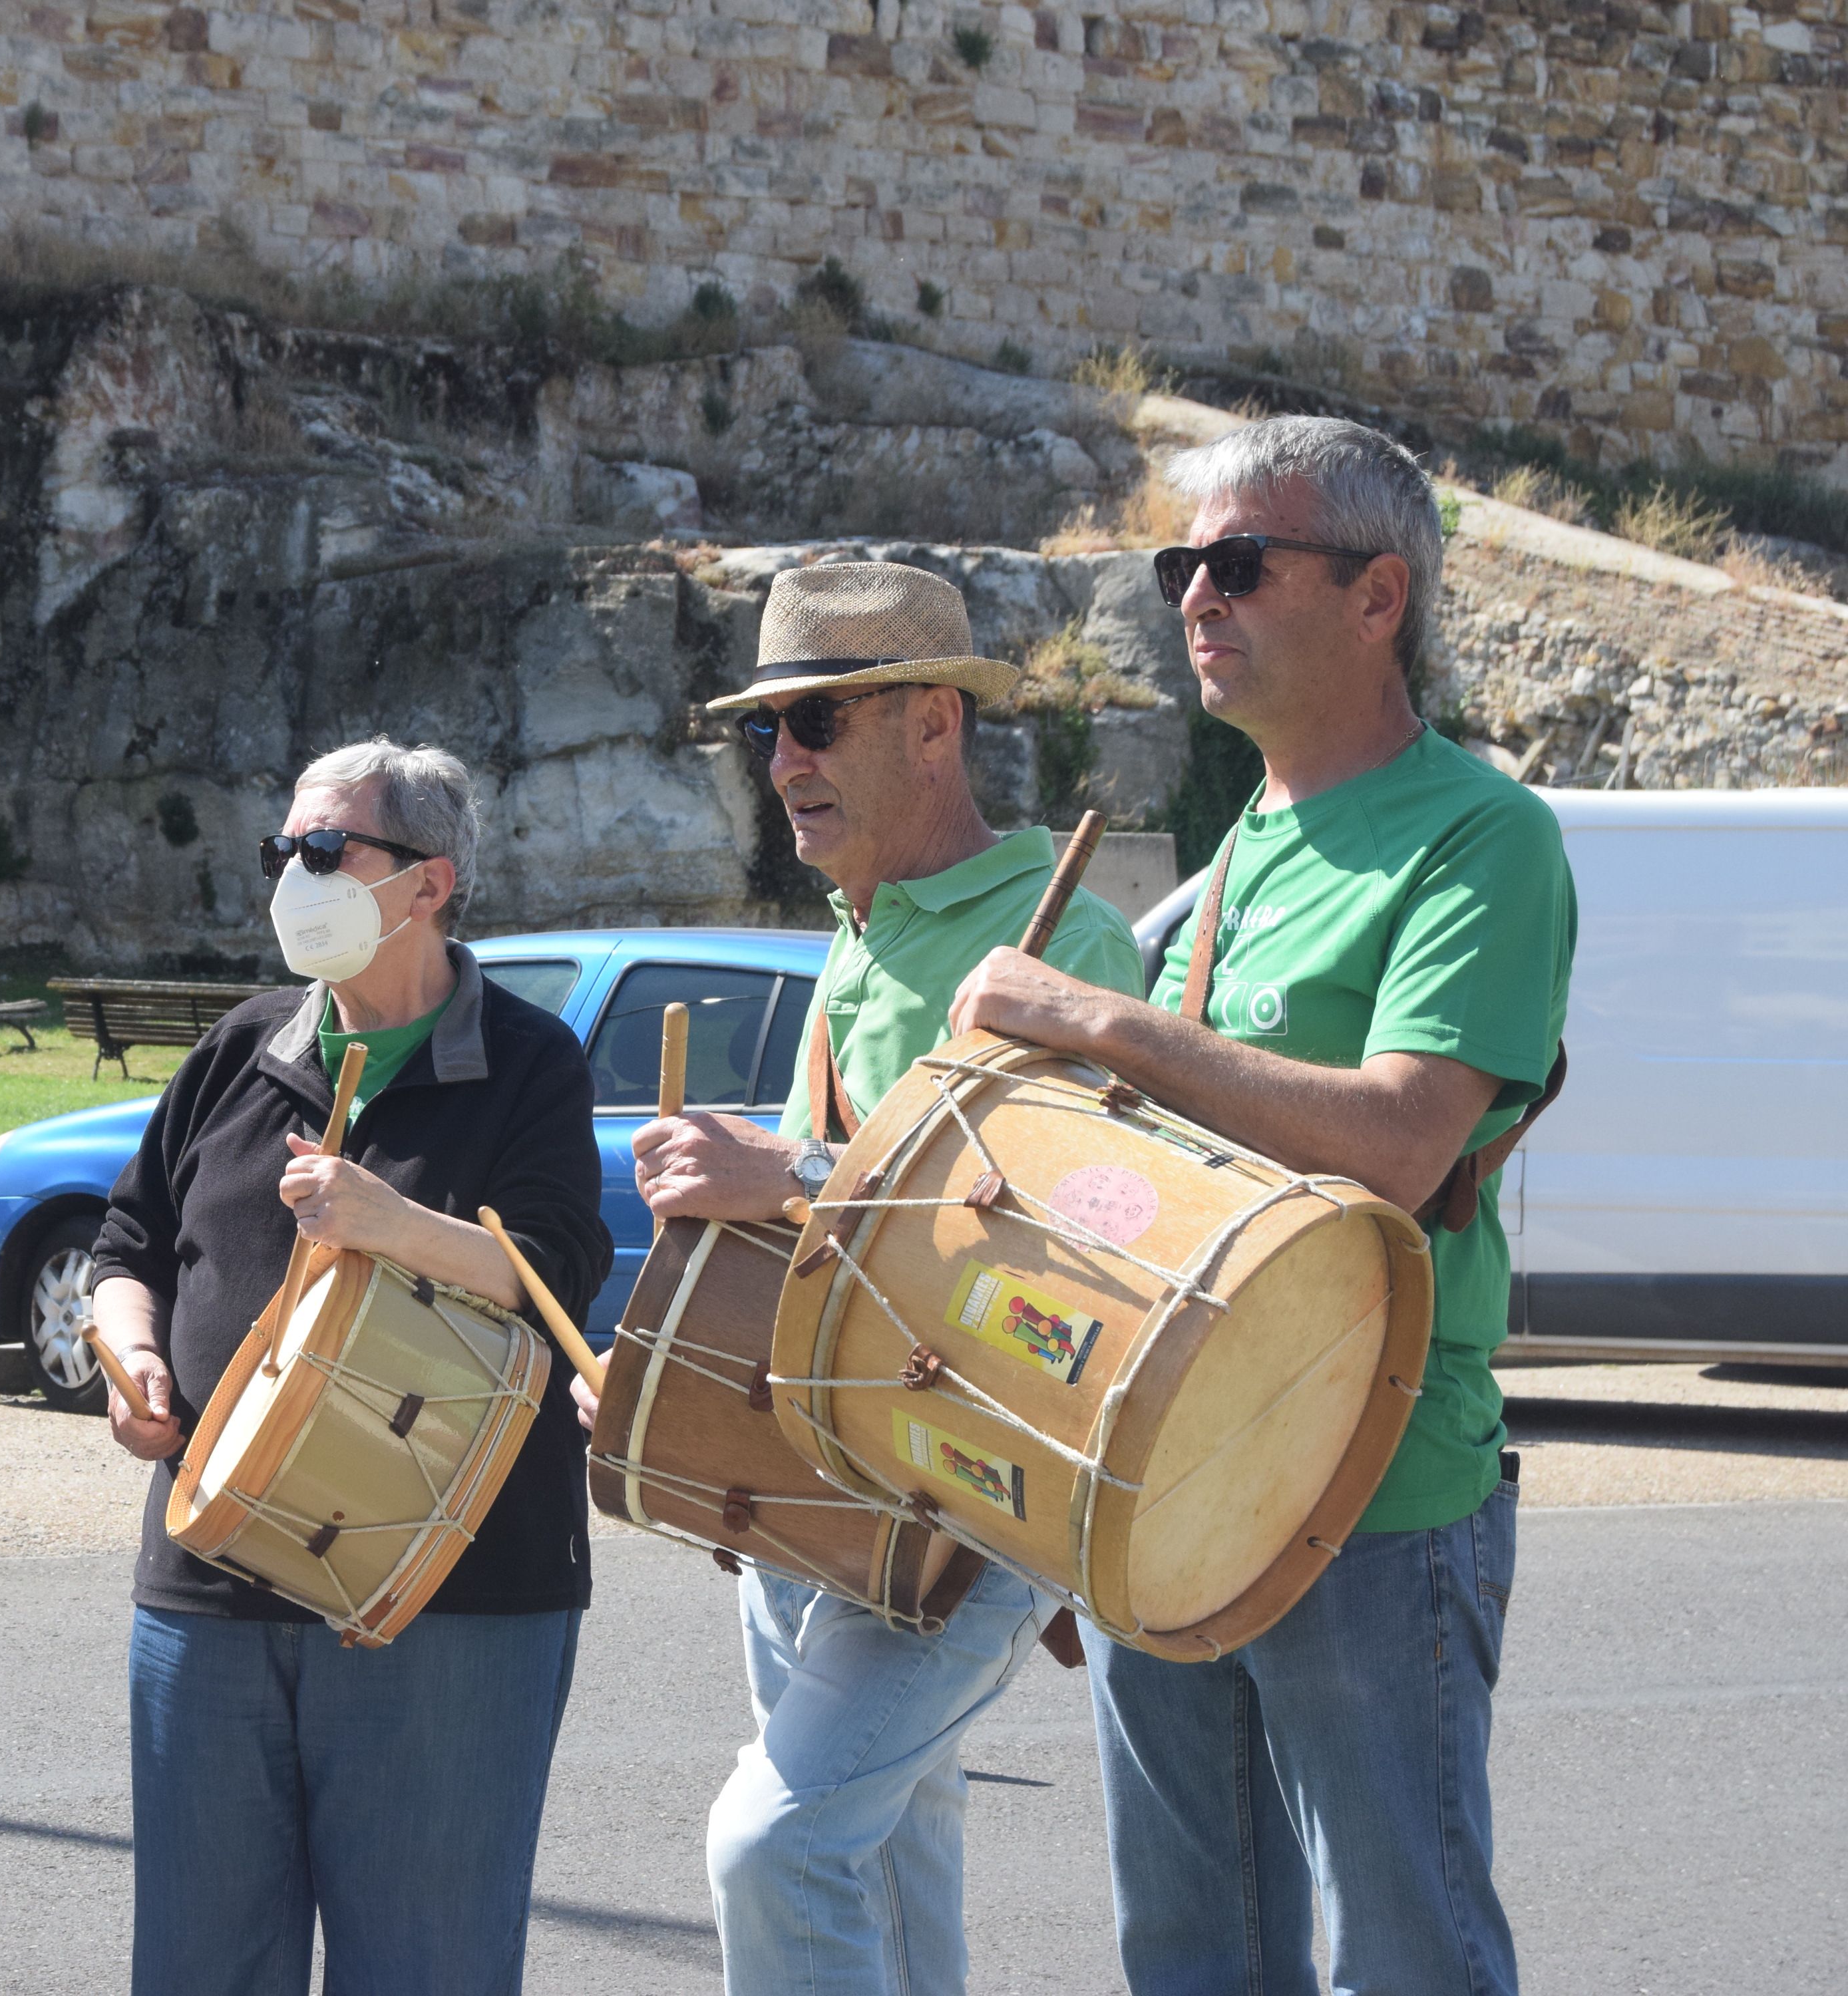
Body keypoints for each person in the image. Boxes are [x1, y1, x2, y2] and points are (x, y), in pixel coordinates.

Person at [951, 416, 1574, 1995]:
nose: (1192, 599)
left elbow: (1399, 1145)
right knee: (1188, 1954)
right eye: (1180, 567)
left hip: (1373, 1481)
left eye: (1236, 562)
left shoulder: (1480, 836)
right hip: (1173, 1475)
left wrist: (1103, 1019)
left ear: (1379, 597)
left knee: (1402, 1955)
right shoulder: (1246, 848)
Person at [586, 560, 1144, 1994]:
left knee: (774, 1844)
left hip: (971, 1490)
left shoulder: (1059, 941)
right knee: (887, 1851)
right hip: (820, 1475)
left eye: (817, 720)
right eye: (764, 730)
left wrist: (795, 1178)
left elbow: (1071, 1268)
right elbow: (827, 1195)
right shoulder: (857, 938)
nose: (781, 761)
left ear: (932, 726)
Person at [91, 738, 610, 1996]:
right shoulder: (241, 1046)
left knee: (426, 1969)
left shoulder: (532, 1061)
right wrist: (132, 1356)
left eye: (327, 853)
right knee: (199, 1970)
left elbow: (555, 1278)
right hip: (210, 1576)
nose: (293, 877)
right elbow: (128, 1244)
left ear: (430, 883)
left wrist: (390, 1222)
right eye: (284, 853)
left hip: (451, 1597)